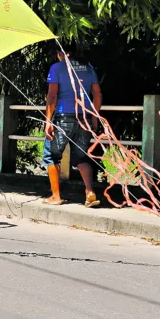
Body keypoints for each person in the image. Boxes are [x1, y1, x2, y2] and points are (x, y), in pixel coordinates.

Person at [43, 48, 102, 207]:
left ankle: (56, 196)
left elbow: (52, 96)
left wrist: (48, 121)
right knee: (81, 157)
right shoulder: (88, 67)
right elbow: (97, 94)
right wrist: (95, 119)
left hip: (63, 117)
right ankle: (89, 192)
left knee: (51, 155)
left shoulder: (57, 67)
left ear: (61, 53)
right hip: (85, 117)